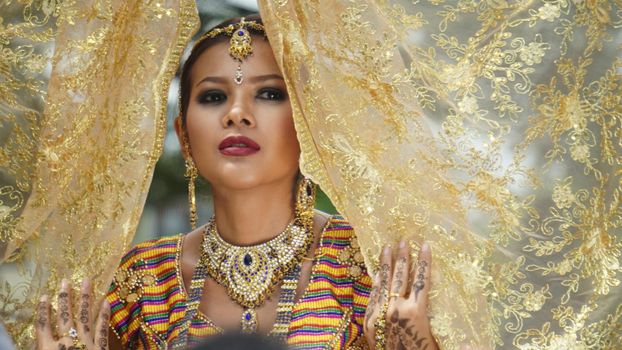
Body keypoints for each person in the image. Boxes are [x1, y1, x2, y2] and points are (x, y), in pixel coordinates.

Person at [35, 15, 439, 350]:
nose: (237, 114)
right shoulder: (142, 281)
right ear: (184, 134)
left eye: (268, 93)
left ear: (310, 126)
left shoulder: (371, 270)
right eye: (213, 97)